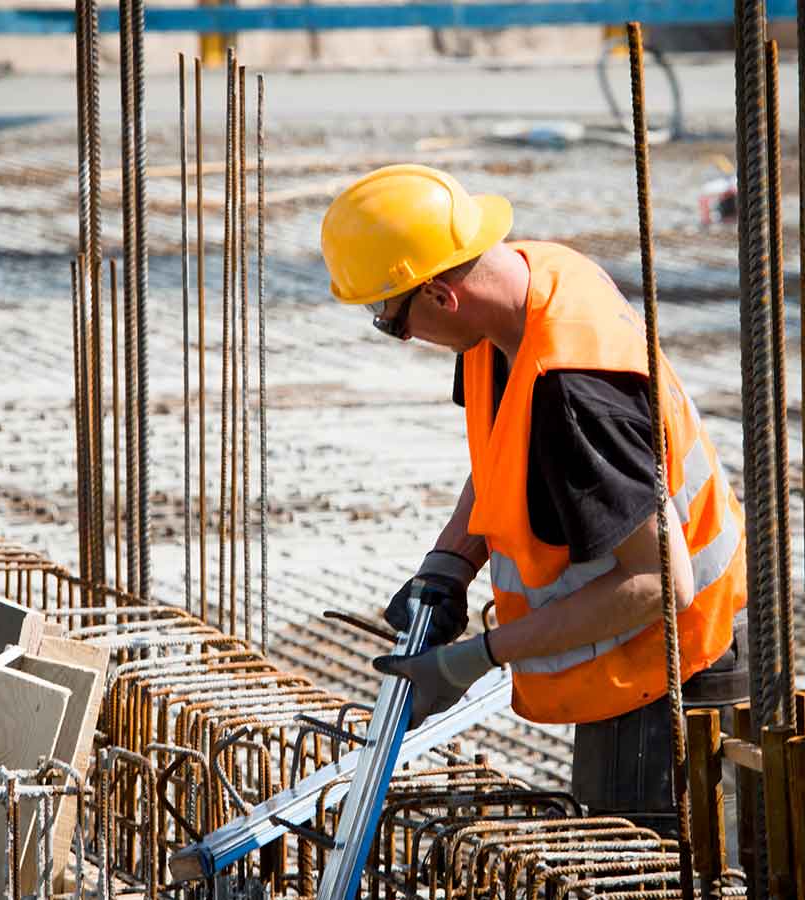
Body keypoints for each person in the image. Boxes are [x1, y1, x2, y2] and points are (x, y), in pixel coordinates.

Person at [319, 163, 749, 838]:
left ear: (439, 292)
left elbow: (660, 581)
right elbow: (500, 452)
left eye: (391, 319)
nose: (400, 337)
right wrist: (448, 564)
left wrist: (473, 658)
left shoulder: (573, 390)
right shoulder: (522, 289)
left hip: (674, 673)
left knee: (642, 873)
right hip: (628, 660)